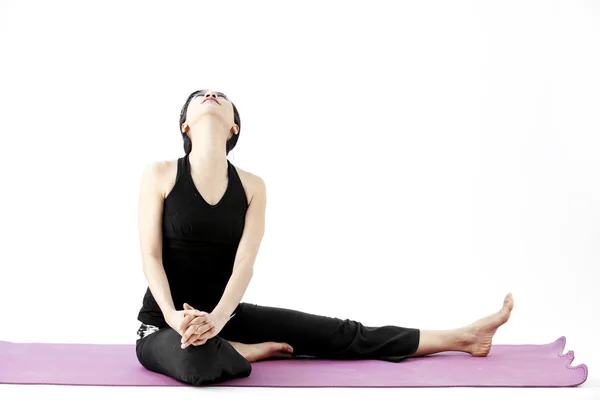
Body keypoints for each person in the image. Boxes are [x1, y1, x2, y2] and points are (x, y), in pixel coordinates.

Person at [134, 89, 515, 386]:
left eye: (221, 96)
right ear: (185, 125)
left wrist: (216, 320)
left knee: (339, 333)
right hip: (163, 325)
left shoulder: (253, 187)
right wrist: (173, 317)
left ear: (234, 127)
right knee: (194, 362)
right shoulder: (161, 174)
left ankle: (463, 337)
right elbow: (150, 256)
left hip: (225, 316)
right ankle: (248, 352)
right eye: (200, 96)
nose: (211, 95)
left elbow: (244, 266)